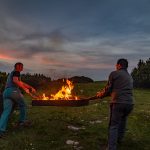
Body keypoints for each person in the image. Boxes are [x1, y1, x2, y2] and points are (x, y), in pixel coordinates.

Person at [96, 58, 134, 150]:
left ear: (119, 65)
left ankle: (111, 148)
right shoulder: (130, 77)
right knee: (122, 121)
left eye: (116, 65)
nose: (115, 67)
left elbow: (108, 90)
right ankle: (119, 140)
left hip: (118, 103)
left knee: (113, 125)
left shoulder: (114, 74)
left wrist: (100, 95)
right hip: (130, 104)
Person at [0, 62, 36, 137]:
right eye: (21, 66)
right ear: (17, 67)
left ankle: (1, 130)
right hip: (13, 91)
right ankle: (21, 121)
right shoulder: (16, 72)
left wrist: (30, 88)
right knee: (22, 105)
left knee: (6, 111)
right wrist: (26, 88)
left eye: (22, 66)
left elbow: (21, 83)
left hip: (6, 93)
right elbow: (16, 81)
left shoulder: (13, 73)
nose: (22, 67)